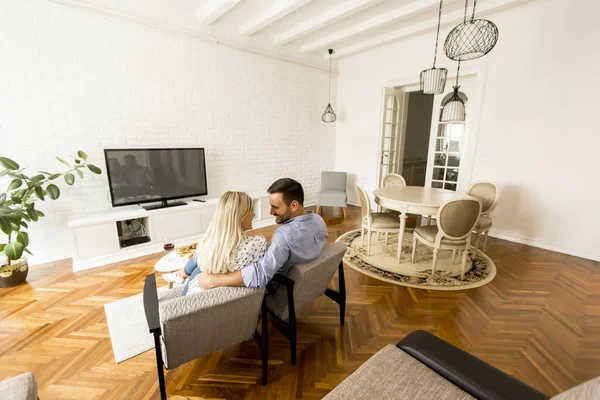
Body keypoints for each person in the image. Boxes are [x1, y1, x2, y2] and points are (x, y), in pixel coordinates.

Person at [163, 178, 328, 291]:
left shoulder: (283, 236)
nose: (270, 212)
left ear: (293, 205)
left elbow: (260, 274)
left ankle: (181, 282)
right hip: (302, 281)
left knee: (203, 263)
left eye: (275, 207)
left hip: (276, 286)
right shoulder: (319, 221)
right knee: (206, 258)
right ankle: (180, 274)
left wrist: (214, 280)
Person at [163, 191, 267, 296]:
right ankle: (180, 275)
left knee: (198, 268)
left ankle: (180, 275)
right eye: (251, 210)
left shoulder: (206, 247)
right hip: (222, 302)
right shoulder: (257, 243)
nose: (254, 214)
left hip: (195, 297)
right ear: (241, 216)